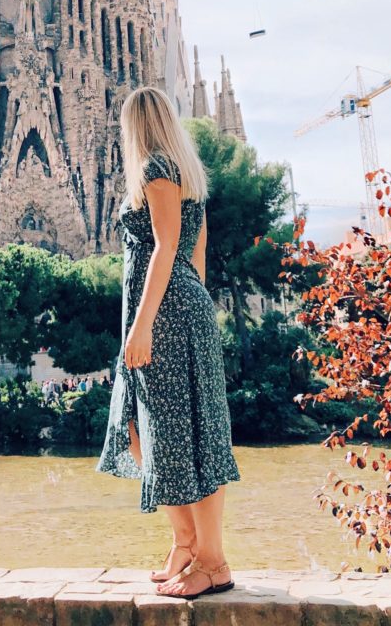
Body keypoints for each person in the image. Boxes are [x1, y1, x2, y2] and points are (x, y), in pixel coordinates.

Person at [96, 86, 241, 600]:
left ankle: (213, 562)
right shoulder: (184, 174)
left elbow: (166, 247)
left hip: (165, 312)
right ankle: (186, 542)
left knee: (186, 433)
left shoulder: (156, 168)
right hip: (180, 306)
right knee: (140, 427)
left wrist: (144, 324)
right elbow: (196, 257)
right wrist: (190, 313)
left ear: (137, 125)